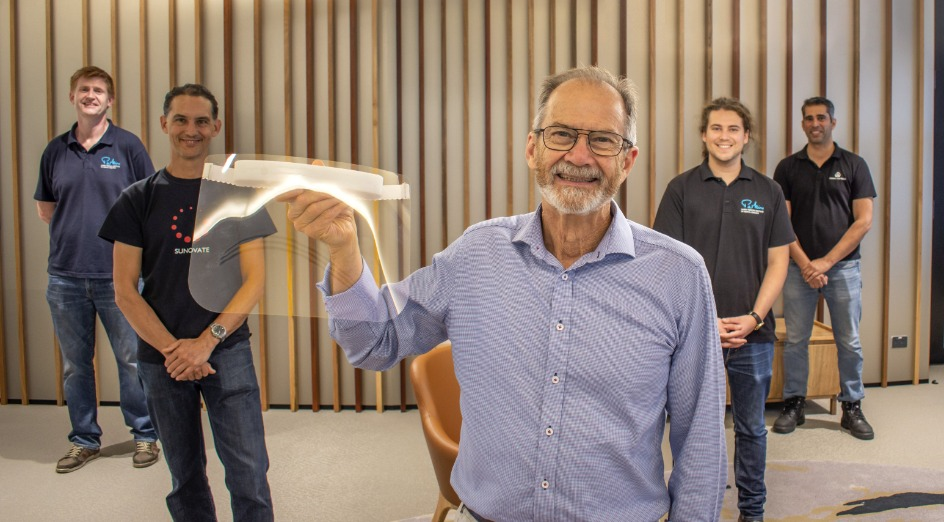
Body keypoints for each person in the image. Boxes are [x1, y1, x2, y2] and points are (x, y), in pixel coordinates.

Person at [279, 66, 727, 521]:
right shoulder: (476, 254)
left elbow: (702, 441)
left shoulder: (679, 275)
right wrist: (344, 247)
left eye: (602, 140)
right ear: (533, 149)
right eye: (561, 134)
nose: (579, 155)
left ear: (626, 161)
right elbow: (374, 343)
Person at [99, 84, 276, 521]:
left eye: (201, 121)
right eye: (180, 119)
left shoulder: (239, 195)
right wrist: (175, 350)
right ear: (164, 125)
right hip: (162, 361)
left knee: (249, 474)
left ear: (215, 127)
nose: (190, 130)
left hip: (226, 351)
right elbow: (124, 289)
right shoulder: (136, 199)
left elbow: (254, 281)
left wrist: (207, 341)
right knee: (186, 478)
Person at [653, 98, 794, 522]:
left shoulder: (768, 191)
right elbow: (667, 262)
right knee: (694, 431)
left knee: (751, 430)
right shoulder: (681, 189)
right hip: (694, 335)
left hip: (753, 336)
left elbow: (779, 262)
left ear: (746, 136)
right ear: (703, 135)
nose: (724, 136)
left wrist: (753, 318)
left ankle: (752, 512)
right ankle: (694, 509)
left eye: (733, 129)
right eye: (716, 128)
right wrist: (705, 321)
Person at [34, 65, 159, 473]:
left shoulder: (128, 147)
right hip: (65, 277)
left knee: (132, 360)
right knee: (75, 365)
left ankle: (145, 435)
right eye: (84, 89)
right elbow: (46, 209)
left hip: (119, 278)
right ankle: (83, 440)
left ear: (110, 100)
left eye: (99, 90)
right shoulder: (55, 150)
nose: (91, 95)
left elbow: (150, 205)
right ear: (73, 96)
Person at [772, 97, 877, 441]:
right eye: (808, 118)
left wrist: (826, 263)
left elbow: (863, 222)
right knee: (796, 340)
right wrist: (805, 264)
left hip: (843, 269)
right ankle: (795, 403)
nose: (815, 123)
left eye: (821, 117)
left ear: (833, 121)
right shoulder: (787, 168)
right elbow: (781, 224)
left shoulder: (854, 165)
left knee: (849, 340)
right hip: (797, 270)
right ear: (802, 124)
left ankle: (852, 406)